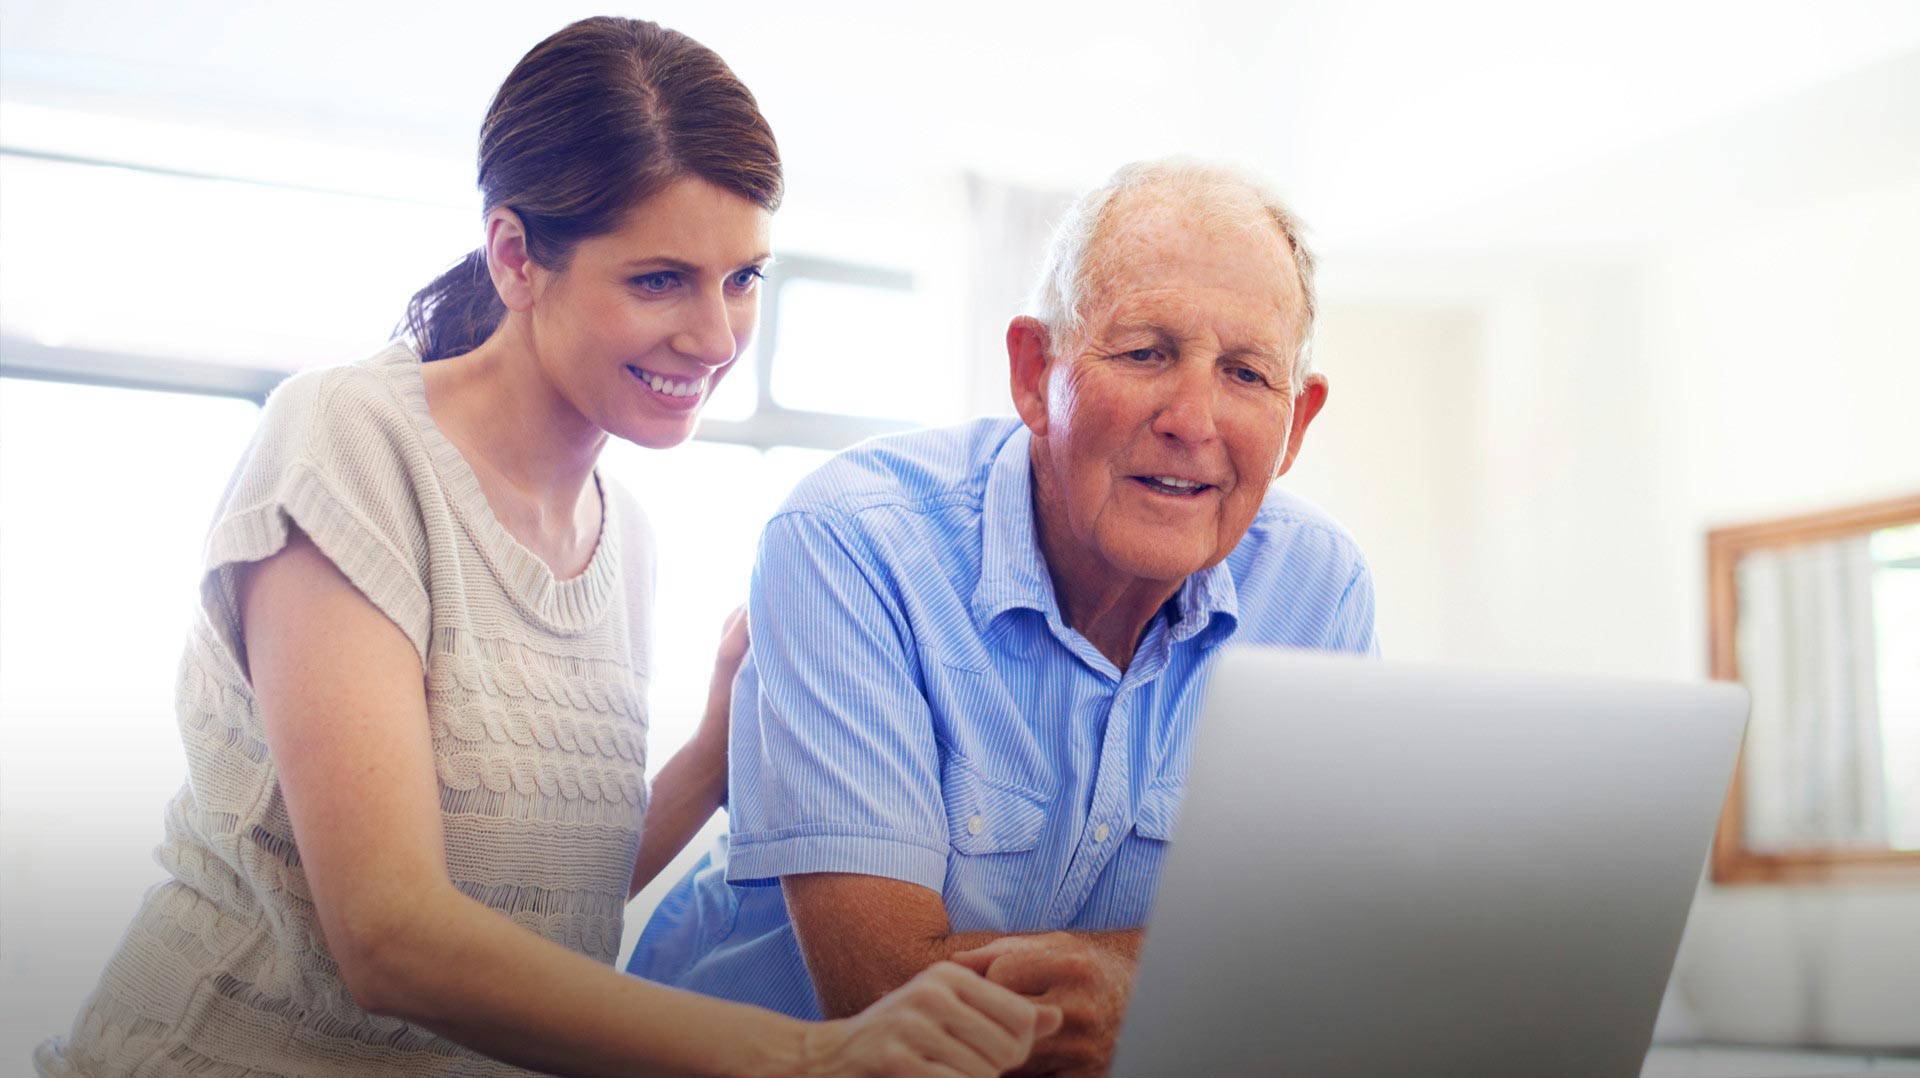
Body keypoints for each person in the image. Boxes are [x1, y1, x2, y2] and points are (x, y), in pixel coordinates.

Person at [36, 17, 1056, 1078]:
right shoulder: (349, 443)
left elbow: (533, 907)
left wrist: (713, 753)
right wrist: (807, 1055)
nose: (715, 337)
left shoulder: (627, 544)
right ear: (517, 256)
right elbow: (392, 936)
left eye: (743, 278)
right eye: (660, 279)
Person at [627, 158, 1379, 1075]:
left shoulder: (1318, 588)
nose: (1193, 417)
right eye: (1144, 352)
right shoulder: (853, 539)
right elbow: (891, 1008)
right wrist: (1184, 989)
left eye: (1247, 373)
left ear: (1297, 424)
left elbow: (1319, 949)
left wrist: (1166, 992)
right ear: (1036, 372)